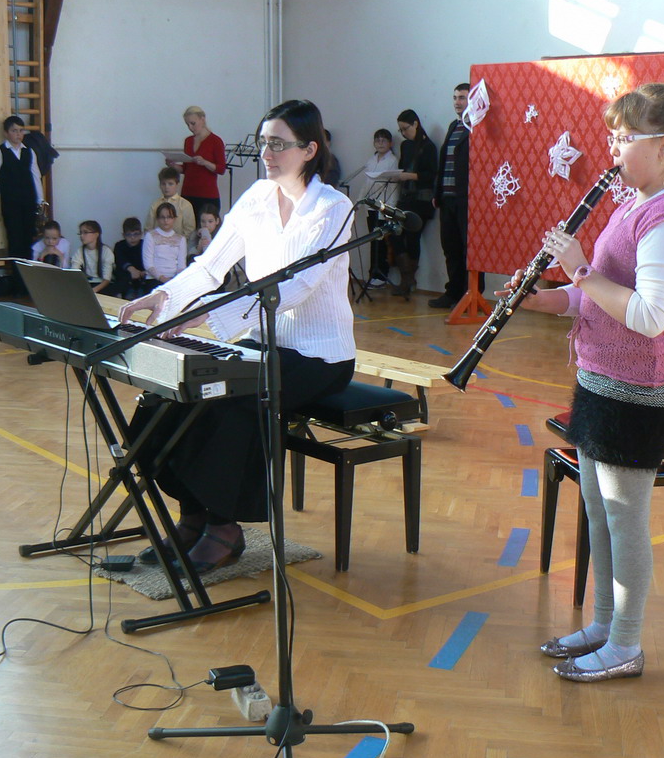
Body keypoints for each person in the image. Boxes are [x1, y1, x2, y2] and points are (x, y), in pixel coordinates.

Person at [505, 83, 664, 683]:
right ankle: (603, 624)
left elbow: (650, 316)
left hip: (638, 390)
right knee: (598, 512)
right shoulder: (632, 205)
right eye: (612, 136)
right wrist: (541, 299)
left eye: (624, 138)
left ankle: (625, 644)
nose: (613, 148)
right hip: (600, 378)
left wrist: (579, 268)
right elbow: (593, 298)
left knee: (624, 520)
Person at [120, 98, 355, 573]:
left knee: (230, 401)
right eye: (263, 142)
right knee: (174, 396)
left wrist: (209, 314)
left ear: (309, 149)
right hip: (261, 343)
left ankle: (225, 529)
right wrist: (165, 297)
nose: (266, 153)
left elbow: (297, 287)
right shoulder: (256, 198)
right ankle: (192, 516)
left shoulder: (333, 208)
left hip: (319, 356)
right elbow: (210, 267)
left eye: (278, 144)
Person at [430, 82, 476, 309]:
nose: (457, 102)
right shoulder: (453, 126)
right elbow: (444, 162)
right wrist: (437, 192)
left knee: (469, 249)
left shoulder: (476, 127)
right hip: (446, 198)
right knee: (450, 247)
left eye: (462, 98)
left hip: (465, 199)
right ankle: (453, 293)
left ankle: (472, 294)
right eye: (455, 97)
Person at [0, 115, 43, 290]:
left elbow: (36, 177)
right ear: (6, 133)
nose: (18, 134)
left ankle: (28, 284)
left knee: (28, 241)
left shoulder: (29, 152)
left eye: (20, 130)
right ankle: (18, 283)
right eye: (14, 131)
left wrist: (40, 200)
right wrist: (7, 193)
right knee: (15, 241)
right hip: (11, 206)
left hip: (29, 204)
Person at [389, 109, 437, 298]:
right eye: (400, 130)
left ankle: (408, 280)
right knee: (394, 233)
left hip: (422, 199)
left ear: (416, 124)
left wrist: (408, 176)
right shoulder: (406, 146)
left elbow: (430, 175)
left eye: (405, 129)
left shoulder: (428, 146)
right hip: (406, 197)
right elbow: (402, 168)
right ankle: (407, 279)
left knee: (413, 237)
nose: (403, 133)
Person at [350, 128, 398, 285]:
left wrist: (390, 208)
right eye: (377, 140)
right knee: (373, 240)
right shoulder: (371, 160)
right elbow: (366, 184)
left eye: (384, 140)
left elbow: (393, 186)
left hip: (384, 206)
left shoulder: (392, 160)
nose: (380, 143)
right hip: (370, 205)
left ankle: (381, 276)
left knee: (382, 242)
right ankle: (373, 274)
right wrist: (359, 201)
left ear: (390, 143)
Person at [177, 105, 227, 220]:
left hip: (207, 194)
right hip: (188, 192)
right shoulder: (188, 141)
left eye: (193, 123)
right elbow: (186, 168)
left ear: (202, 119)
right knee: (188, 226)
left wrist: (205, 162)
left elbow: (221, 169)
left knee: (206, 227)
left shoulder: (215, 141)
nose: (190, 127)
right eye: (187, 125)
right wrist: (174, 166)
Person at [141, 203, 188, 285]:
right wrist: (162, 279)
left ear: (174, 219)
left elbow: (181, 265)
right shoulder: (150, 236)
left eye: (169, 217)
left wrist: (175, 280)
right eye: (162, 217)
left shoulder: (181, 239)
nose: (166, 221)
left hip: (174, 280)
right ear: (157, 219)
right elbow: (148, 264)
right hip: (154, 279)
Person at [145, 166, 197, 238]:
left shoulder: (185, 205)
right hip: (157, 242)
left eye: (170, 184)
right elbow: (149, 228)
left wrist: (178, 241)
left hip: (178, 242)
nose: (166, 187)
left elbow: (189, 230)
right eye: (163, 184)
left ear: (177, 184)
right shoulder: (155, 204)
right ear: (159, 185)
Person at [70, 220, 115, 294]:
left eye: (85, 232)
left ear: (96, 234)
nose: (81, 236)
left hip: (103, 285)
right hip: (88, 283)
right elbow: (74, 270)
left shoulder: (106, 251)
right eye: (80, 233)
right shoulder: (80, 251)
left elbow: (107, 279)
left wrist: (93, 290)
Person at [112, 217, 148, 298]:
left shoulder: (145, 245)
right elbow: (120, 260)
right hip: (125, 280)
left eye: (136, 234)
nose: (132, 238)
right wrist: (131, 269)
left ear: (141, 234)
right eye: (129, 234)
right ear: (123, 235)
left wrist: (145, 272)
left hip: (142, 280)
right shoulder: (119, 246)